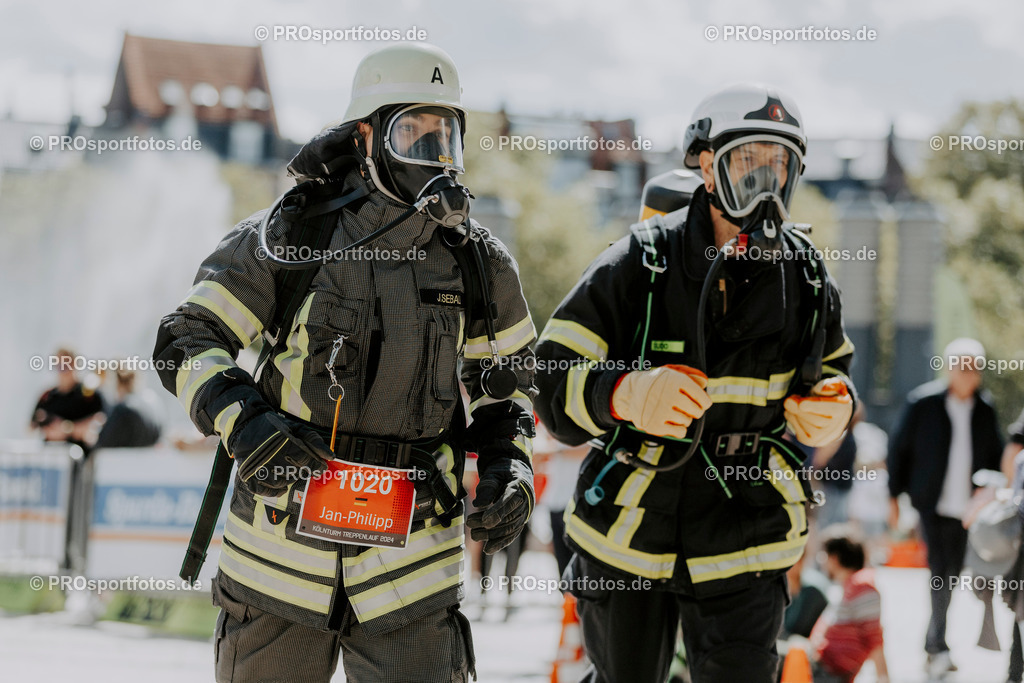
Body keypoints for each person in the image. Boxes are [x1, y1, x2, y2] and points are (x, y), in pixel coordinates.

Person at [153, 43, 537, 682]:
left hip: (411, 574)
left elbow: (509, 388)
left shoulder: (480, 262)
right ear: (366, 137)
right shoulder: (286, 238)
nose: (436, 157)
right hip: (278, 564)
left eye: (448, 137)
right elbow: (186, 339)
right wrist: (243, 426)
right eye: (414, 134)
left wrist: (510, 465)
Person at [535, 83, 856, 682]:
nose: (766, 182)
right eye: (748, 163)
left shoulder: (809, 277)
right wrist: (623, 393)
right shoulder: (639, 261)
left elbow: (835, 372)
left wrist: (834, 405)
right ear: (708, 166)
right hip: (631, 528)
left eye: (779, 165)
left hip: (748, 528)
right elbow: (551, 379)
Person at [887, 337, 1004, 676]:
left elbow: (995, 456)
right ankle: (938, 646)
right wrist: (893, 497)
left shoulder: (985, 409)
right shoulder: (922, 403)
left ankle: (933, 641)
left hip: (968, 511)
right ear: (949, 368)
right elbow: (899, 451)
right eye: (962, 366)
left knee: (951, 577)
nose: (969, 373)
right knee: (940, 573)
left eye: (974, 368)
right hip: (931, 506)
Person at [810, 526, 888, 683]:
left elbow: (874, 638)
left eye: (823, 555)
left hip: (827, 672)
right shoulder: (847, 587)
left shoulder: (862, 587)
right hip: (819, 665)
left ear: (834, 558)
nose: (821, 561)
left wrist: (884, 679)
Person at [30, 347, 106, 453]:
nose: (63, 369)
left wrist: (66, 428)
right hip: (51, 458)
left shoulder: (89, 395)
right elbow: (30, 428)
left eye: (66, 364)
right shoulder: (47, 397)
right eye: (59, 365)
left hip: (80, 458)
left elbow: (97, 425)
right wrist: (46, 427)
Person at [93, 369, 163, 449]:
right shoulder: (154, 401)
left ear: (117, 381)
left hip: (123, 459)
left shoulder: (122, 408)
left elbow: (104, 442)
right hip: (151, 457)